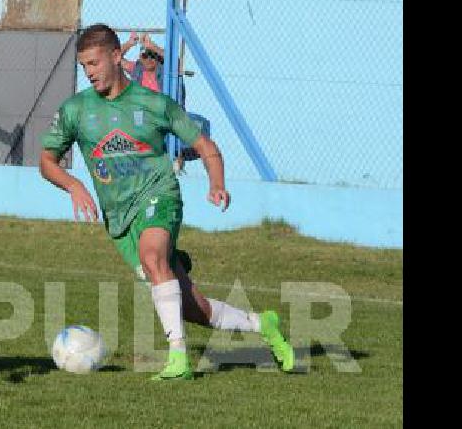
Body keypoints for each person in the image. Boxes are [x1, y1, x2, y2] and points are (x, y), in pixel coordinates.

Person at [38, 24, 294, 380]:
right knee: (194, 308)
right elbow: (46, 161)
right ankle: (261, 324)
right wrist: (74, 185)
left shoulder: (156, 104)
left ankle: (178, 360)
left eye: (94, 63)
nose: (89, 72)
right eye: (84, 66)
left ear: (116, 56)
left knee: (153, 256)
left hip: (159, 195)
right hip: (119, 218)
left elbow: (207, 148)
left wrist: (216, 183)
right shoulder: (77, 110)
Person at [119, 31, 209, 175]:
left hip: (165, 112)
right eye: (145, 55)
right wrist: (130, 43)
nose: (149, 59)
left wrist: (151, 46)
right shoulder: (136, 69)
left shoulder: (167, 71)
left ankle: (176, 158)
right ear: (140, 58)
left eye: (153, 55)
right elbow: (115, 59)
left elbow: (175, 60)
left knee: (194, 125)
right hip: (144, 115)